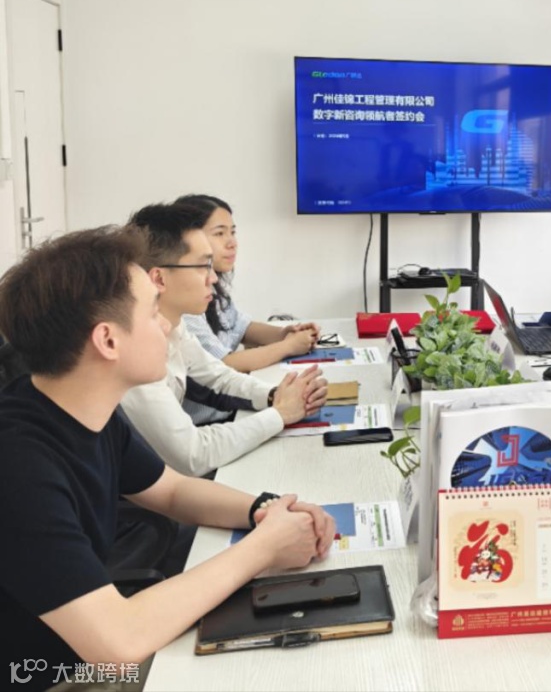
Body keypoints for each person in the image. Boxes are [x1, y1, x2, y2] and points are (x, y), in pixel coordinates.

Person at [0, 226, 335, 692]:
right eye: (153, 312)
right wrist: (265, 547)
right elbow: (118, 641)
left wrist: (267, 509)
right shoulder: (19, 466)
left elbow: (172, 490)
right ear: (108, 341)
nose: (166, 326)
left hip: (91, 643)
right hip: (49, 674)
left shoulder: (80, 407)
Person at [122, 203, 328, 477]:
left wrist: (274, 395)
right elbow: (194, 455)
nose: (213, 277)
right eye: (202, 266)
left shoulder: (174, 325)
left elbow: (218, 376)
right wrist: (280, 413)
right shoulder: (133, 354)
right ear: (159, 278)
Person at [175, 194, 321, 424]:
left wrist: (285, 333)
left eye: (232, 232)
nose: (232, 242)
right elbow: (224, 365)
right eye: (219, 233)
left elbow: (242, 326)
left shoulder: (213, 286)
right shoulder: (185, 303)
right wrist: (288, 346)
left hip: (234, 407)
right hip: (211, 422)